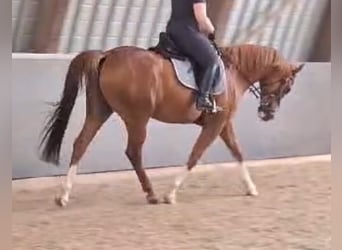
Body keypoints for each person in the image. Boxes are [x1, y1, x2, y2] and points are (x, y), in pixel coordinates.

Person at [166, 0, 222, 112]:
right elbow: (201, 18)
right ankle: (203, 98)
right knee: (212, 60)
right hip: (188, 31)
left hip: (172, 29)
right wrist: (211, 31)